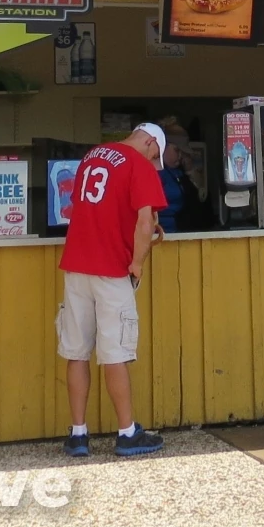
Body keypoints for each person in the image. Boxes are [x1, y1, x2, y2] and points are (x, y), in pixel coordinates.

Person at [57, 122, 168, 458]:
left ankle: (78, 435)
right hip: (112, 269)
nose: (154, 162)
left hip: (76, 267)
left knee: (77, 352)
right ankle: (126, 433)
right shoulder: (139, 165)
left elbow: (90, 207)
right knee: (115, 354)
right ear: (150, 142)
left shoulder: (92, 156)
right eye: (156, 155)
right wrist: (138, 263)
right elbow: (145, 221)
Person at [157, 141, 201, 233]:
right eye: (176, 150)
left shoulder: (179, 172)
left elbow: (199, 196)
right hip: (163, 230)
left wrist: (190, 171)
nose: (180, 155)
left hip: (182, 228)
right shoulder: (157, 173)